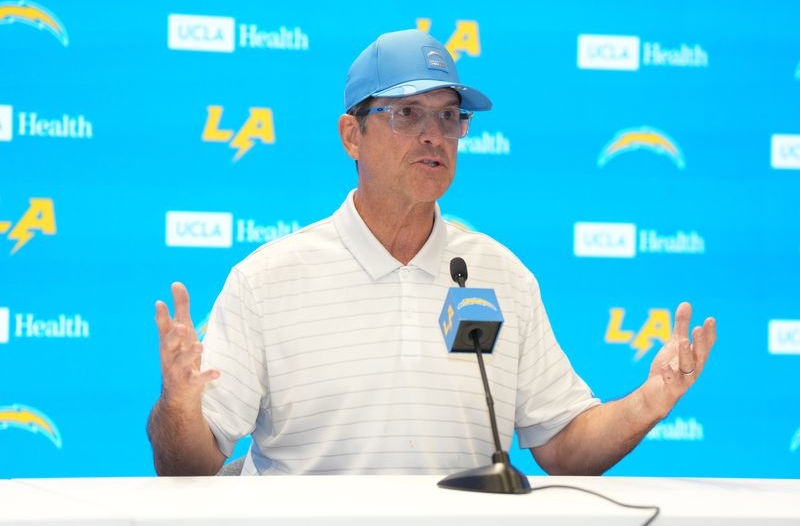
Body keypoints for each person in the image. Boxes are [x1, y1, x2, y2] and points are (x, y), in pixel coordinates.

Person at [147, 29, 717, 476]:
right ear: (352, 136)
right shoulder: (267, 280)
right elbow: (189, 464)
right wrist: (178, 402)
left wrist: (648, 401)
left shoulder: (500, 275)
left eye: (449, 116)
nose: (434, 135)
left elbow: (563, 444)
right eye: (407, 114)